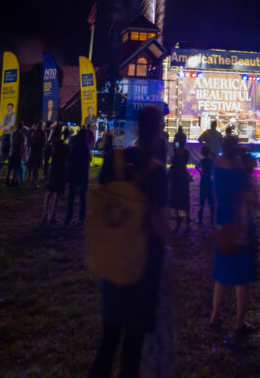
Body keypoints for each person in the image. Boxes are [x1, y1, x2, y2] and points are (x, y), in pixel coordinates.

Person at [89, 105, 169, 378]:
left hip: (111, 255)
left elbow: (98, 202)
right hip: (142, 265)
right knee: (133, 347)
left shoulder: (115, 159)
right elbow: (160, 225)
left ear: (136, 127)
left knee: (109, 338)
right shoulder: (157, 171)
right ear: (158, 132)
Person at [209, 134, 258, 334]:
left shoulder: (216, 167)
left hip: (222, 222)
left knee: (221, 273)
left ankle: (214, 316)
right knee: (242, 278)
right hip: (241, 225)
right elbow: (252, 199)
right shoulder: (239, 173)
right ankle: (239, 322)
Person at [64, 127, 91, 226]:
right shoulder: (85, 145)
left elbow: (69, 158)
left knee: (71, 197)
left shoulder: (74, 142)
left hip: (74, 172)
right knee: (82, 196)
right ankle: (81, 218)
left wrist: (68, 174)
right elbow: (88, 161)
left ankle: (68, 218)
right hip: (82, 173)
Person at [42, 125, 68, 224]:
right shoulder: (61, 145)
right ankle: (51, 215)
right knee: (56, 194)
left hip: (52, 169)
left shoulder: (51, 144)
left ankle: (45, 215)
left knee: (49, 193)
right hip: (59, 170)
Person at [169, 141, 191, 231]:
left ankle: (178, 222)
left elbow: (171, 161)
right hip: (183, 177)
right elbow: (187, 160)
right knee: (185, 198)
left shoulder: (175, 152)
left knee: (176, 199)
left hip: (175, 178)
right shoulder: (186, 152)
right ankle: (187, 220)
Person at [197, 144, 215, 224]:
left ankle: (200, 219)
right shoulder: (212, 161)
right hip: (210, 181)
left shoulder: (203, 161)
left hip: (203, 181)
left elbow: (196, 166)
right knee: (211, 198)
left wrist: (200, 172)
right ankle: (212, 218)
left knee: (202, 198)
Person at [27, 120, 47, 188]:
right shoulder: (43, 133)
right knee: (37, 168)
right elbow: (44, 144)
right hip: (39, 152)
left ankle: (28, 182)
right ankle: (35, 183)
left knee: (31, 168)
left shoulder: (34, 133)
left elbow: (30, 142)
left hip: (33, 151)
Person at [7, 121, 25, 187]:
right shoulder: (21, 134)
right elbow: (22, 145)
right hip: (17, 153)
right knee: (15, 168)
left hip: (11, 152)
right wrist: (22, 153)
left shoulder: (13, 133)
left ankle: (7, 180)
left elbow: (10, 142)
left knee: (10, 168)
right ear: (22, 127)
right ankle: (13, 182)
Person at [0, 103, 16, 168]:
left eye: (10, 107)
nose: (9, 109)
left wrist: (5, 126)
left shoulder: (14, 115)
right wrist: (7, 125)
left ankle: (9, 166)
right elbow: (1, 127)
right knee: (3, 149)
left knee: (10, 149)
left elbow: (11, 124)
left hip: (10, 135)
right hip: (4, 134)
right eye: (8, 107)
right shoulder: (5, 116)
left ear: (12, 108)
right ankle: (1, 165)